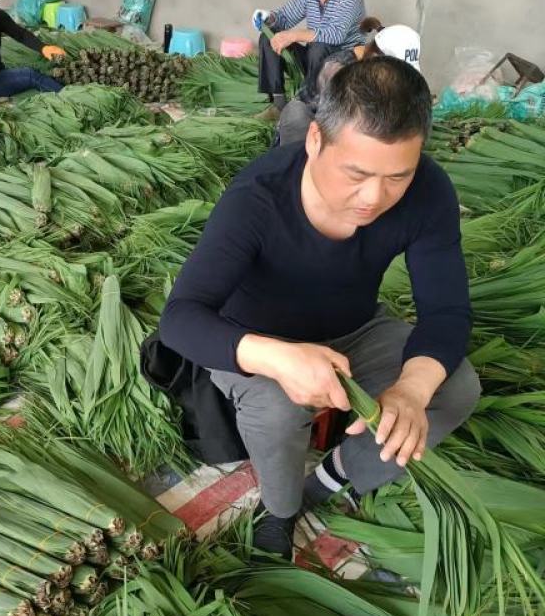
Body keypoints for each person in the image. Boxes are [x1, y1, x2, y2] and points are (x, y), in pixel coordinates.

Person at [159, 57, 480, 559]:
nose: (374, 197)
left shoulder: (429, 193)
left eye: (398, 176)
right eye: (356, 173)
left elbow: (447, 312)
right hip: (258, 335)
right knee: (277, 405)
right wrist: (279, 358)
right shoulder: (258, 198)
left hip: (354, 328)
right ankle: (279, 510)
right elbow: (180, 317)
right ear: (314, 141)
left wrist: (413, 389)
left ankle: (334, 477)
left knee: (454, 385)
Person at [252, 0, 366, 117]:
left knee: (319, 47)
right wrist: (269, 18)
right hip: (315, 61)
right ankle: (279, 104)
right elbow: (285, 17)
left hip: (341, 67)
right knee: (269, 36)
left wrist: (295, 35)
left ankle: (312, 108)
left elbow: (335, 35)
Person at [277, 21, 422, 147]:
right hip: (319, 128)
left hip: (355, 130)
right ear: (375, 57)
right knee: (295, 114)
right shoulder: (337, 71)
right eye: (395, 72)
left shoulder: (375, 72)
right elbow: (337, 127)